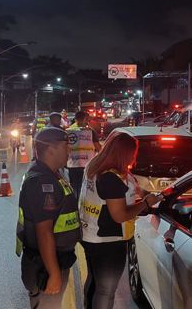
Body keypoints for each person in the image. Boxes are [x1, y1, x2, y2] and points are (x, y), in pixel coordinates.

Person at [79, 132, 163, 308]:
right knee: (106, 290)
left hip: (90, 235)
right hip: (108, 240)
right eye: (132, 154)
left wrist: (147, 195)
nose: (134, 157)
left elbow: (134, 187)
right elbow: (120, 215)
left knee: (95, 280)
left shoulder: (96, 166)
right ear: (124, 154)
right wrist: (145, 204)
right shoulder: (110, 179)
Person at [16, 127, 80, 309]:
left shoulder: (51, 174)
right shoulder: (42, 182)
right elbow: (44, 232)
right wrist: (53, 273)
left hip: (53, 260)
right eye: (66, 146)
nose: (69, 151)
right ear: (51, 148)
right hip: (45, 265)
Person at [66, 111, 102, 197]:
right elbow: (98, 148)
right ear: (84, 119)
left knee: (74, 187)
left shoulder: (67, 131)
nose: (87, 122)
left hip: (72, 165)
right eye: (87, 120)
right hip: (87, 165)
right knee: (85, 188)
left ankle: (75, 204)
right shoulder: (90, 132)